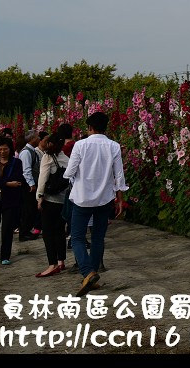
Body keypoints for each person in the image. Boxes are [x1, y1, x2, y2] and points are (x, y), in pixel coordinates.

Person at [64, 112, 128, 296]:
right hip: (105, 199)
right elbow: (119, 176)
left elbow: (69, 172)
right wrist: (120, 200)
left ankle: (87, 271)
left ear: (89, 127)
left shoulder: (80, 145)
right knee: (98, 238)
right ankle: (92, 276)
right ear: (106, 127)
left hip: (82, 198)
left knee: (76, 237)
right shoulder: (113, 146)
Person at [35, 134, 70, 277]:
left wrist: (39, 197)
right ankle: (61, 261)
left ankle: (52, 264)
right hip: (63, 200)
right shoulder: (67, 159)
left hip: (50, 200)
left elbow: (42, 179)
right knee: (60, 231)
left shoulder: (47, 157)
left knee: (48, 233)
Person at [0, 136, 25, 265]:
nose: (2, 152)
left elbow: (18, 179)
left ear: (10, 149)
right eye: (0, 149)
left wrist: (3, 183)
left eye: (5, 149)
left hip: (10, 199)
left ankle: (5, 255)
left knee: (7, 228)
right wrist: (7, 184)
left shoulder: (16, 163)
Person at [17, 131, 43, 241]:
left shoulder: (32, 151)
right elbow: (26, 170)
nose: (39, 139)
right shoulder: (26, 152)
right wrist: (31, 184)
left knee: (31, 209)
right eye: (37, 137)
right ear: (32, 139)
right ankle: (23, 233)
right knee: (27, 209)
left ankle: (27, 230)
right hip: (28, 185)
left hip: (31, 183)